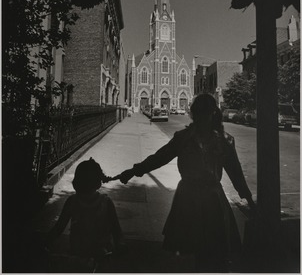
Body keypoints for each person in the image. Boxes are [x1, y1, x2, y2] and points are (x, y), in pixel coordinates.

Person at [117, 93, 256, 272]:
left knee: (215, 252)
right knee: (188, 254)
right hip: (188, 199)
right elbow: (159, 157)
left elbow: (236, 173)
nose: (202, 117)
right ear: (193, 114)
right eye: (198, 112)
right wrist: (133, 171)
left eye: (205, 113)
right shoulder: (182, 138)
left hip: (213, 200)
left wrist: (249, 200)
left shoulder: (225, 141)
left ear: (213, 114)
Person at [46, 158, 125, 268]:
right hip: (99, 256)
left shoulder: (72, 201)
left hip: (80, 255)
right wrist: (119, 246)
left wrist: (45, 242)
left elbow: (59, 228)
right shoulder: (106, 203)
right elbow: (116, 230)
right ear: (98, 183)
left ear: (76, 183)